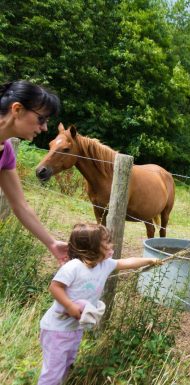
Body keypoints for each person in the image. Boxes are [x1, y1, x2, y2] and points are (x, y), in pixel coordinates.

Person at [37, 222, 163, 385]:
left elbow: (126, 262)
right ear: (91, 247)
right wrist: (69, 305)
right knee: (53, 371)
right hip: (56, 329)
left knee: (66, 363)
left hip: (75, 328)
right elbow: (55, 287)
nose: (112, 245)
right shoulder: (73, 267)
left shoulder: (105, 264)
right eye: (107, 242)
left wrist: (150, 260)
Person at [0, 80, 68, 263]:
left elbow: (20, 205)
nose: (44, 127)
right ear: (17, 110)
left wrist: (52, 243)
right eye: (41, 119)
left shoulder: (5, 152)